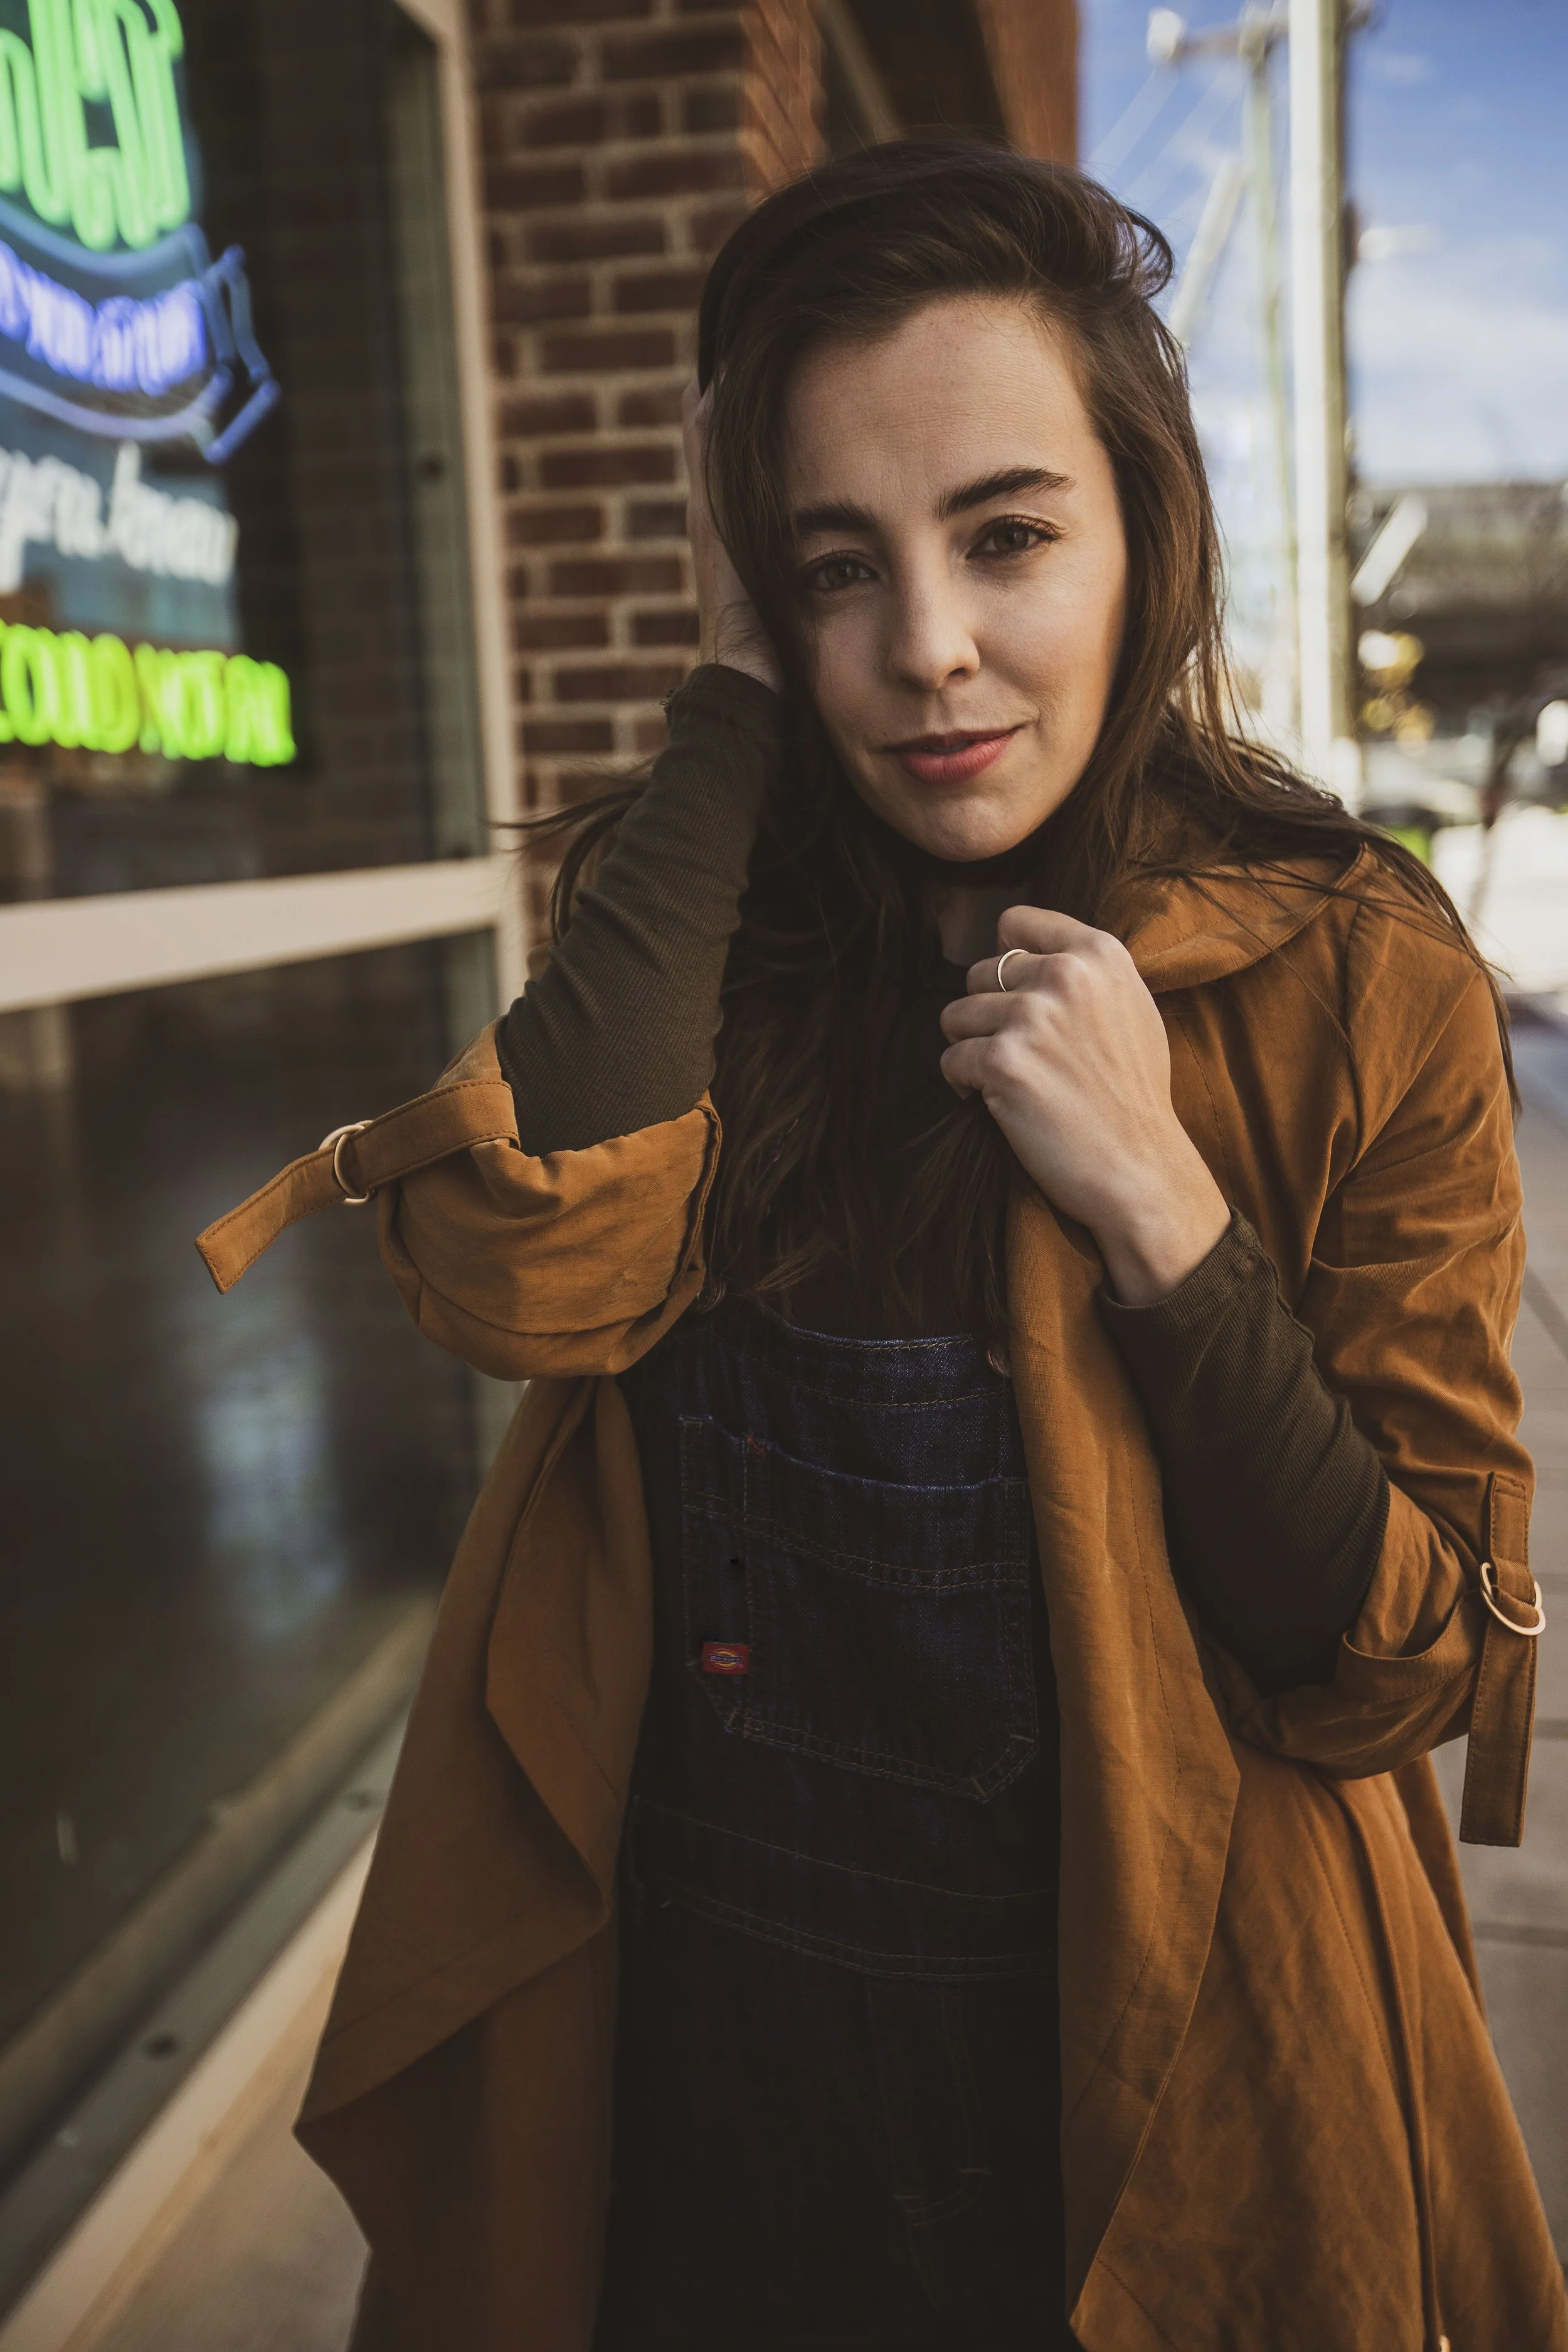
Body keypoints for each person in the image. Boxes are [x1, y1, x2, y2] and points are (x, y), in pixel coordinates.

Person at [202, 142, 1565, 2352]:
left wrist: (1165, 1213)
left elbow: (1406, 1657)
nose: (924, 648)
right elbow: (519, 1283)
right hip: (695, 2103)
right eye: (835, 564)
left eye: (1007, 533)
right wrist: (733, 691)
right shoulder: (707, 919)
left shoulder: (1350, 965)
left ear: (1146, 528)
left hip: (1135, 2110)